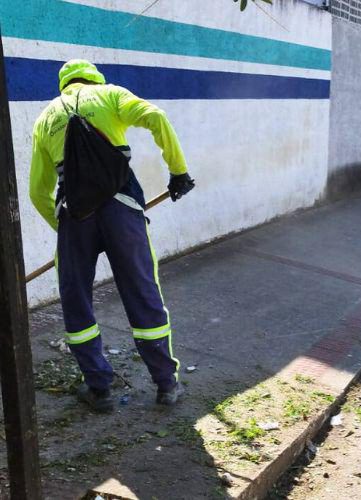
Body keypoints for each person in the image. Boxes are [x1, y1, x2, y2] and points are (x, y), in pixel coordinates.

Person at [29, 60, 195, 412]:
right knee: (142, 291)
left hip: (75, 215)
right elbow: (157, 117)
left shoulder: (45, 119)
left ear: (63, 84)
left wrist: (65, 229)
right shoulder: (111, 95)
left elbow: (36, 192)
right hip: (122, 209)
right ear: (94, 78)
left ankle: (98, 388)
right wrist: (178, 171)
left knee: (76, 299)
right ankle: (166, 385)